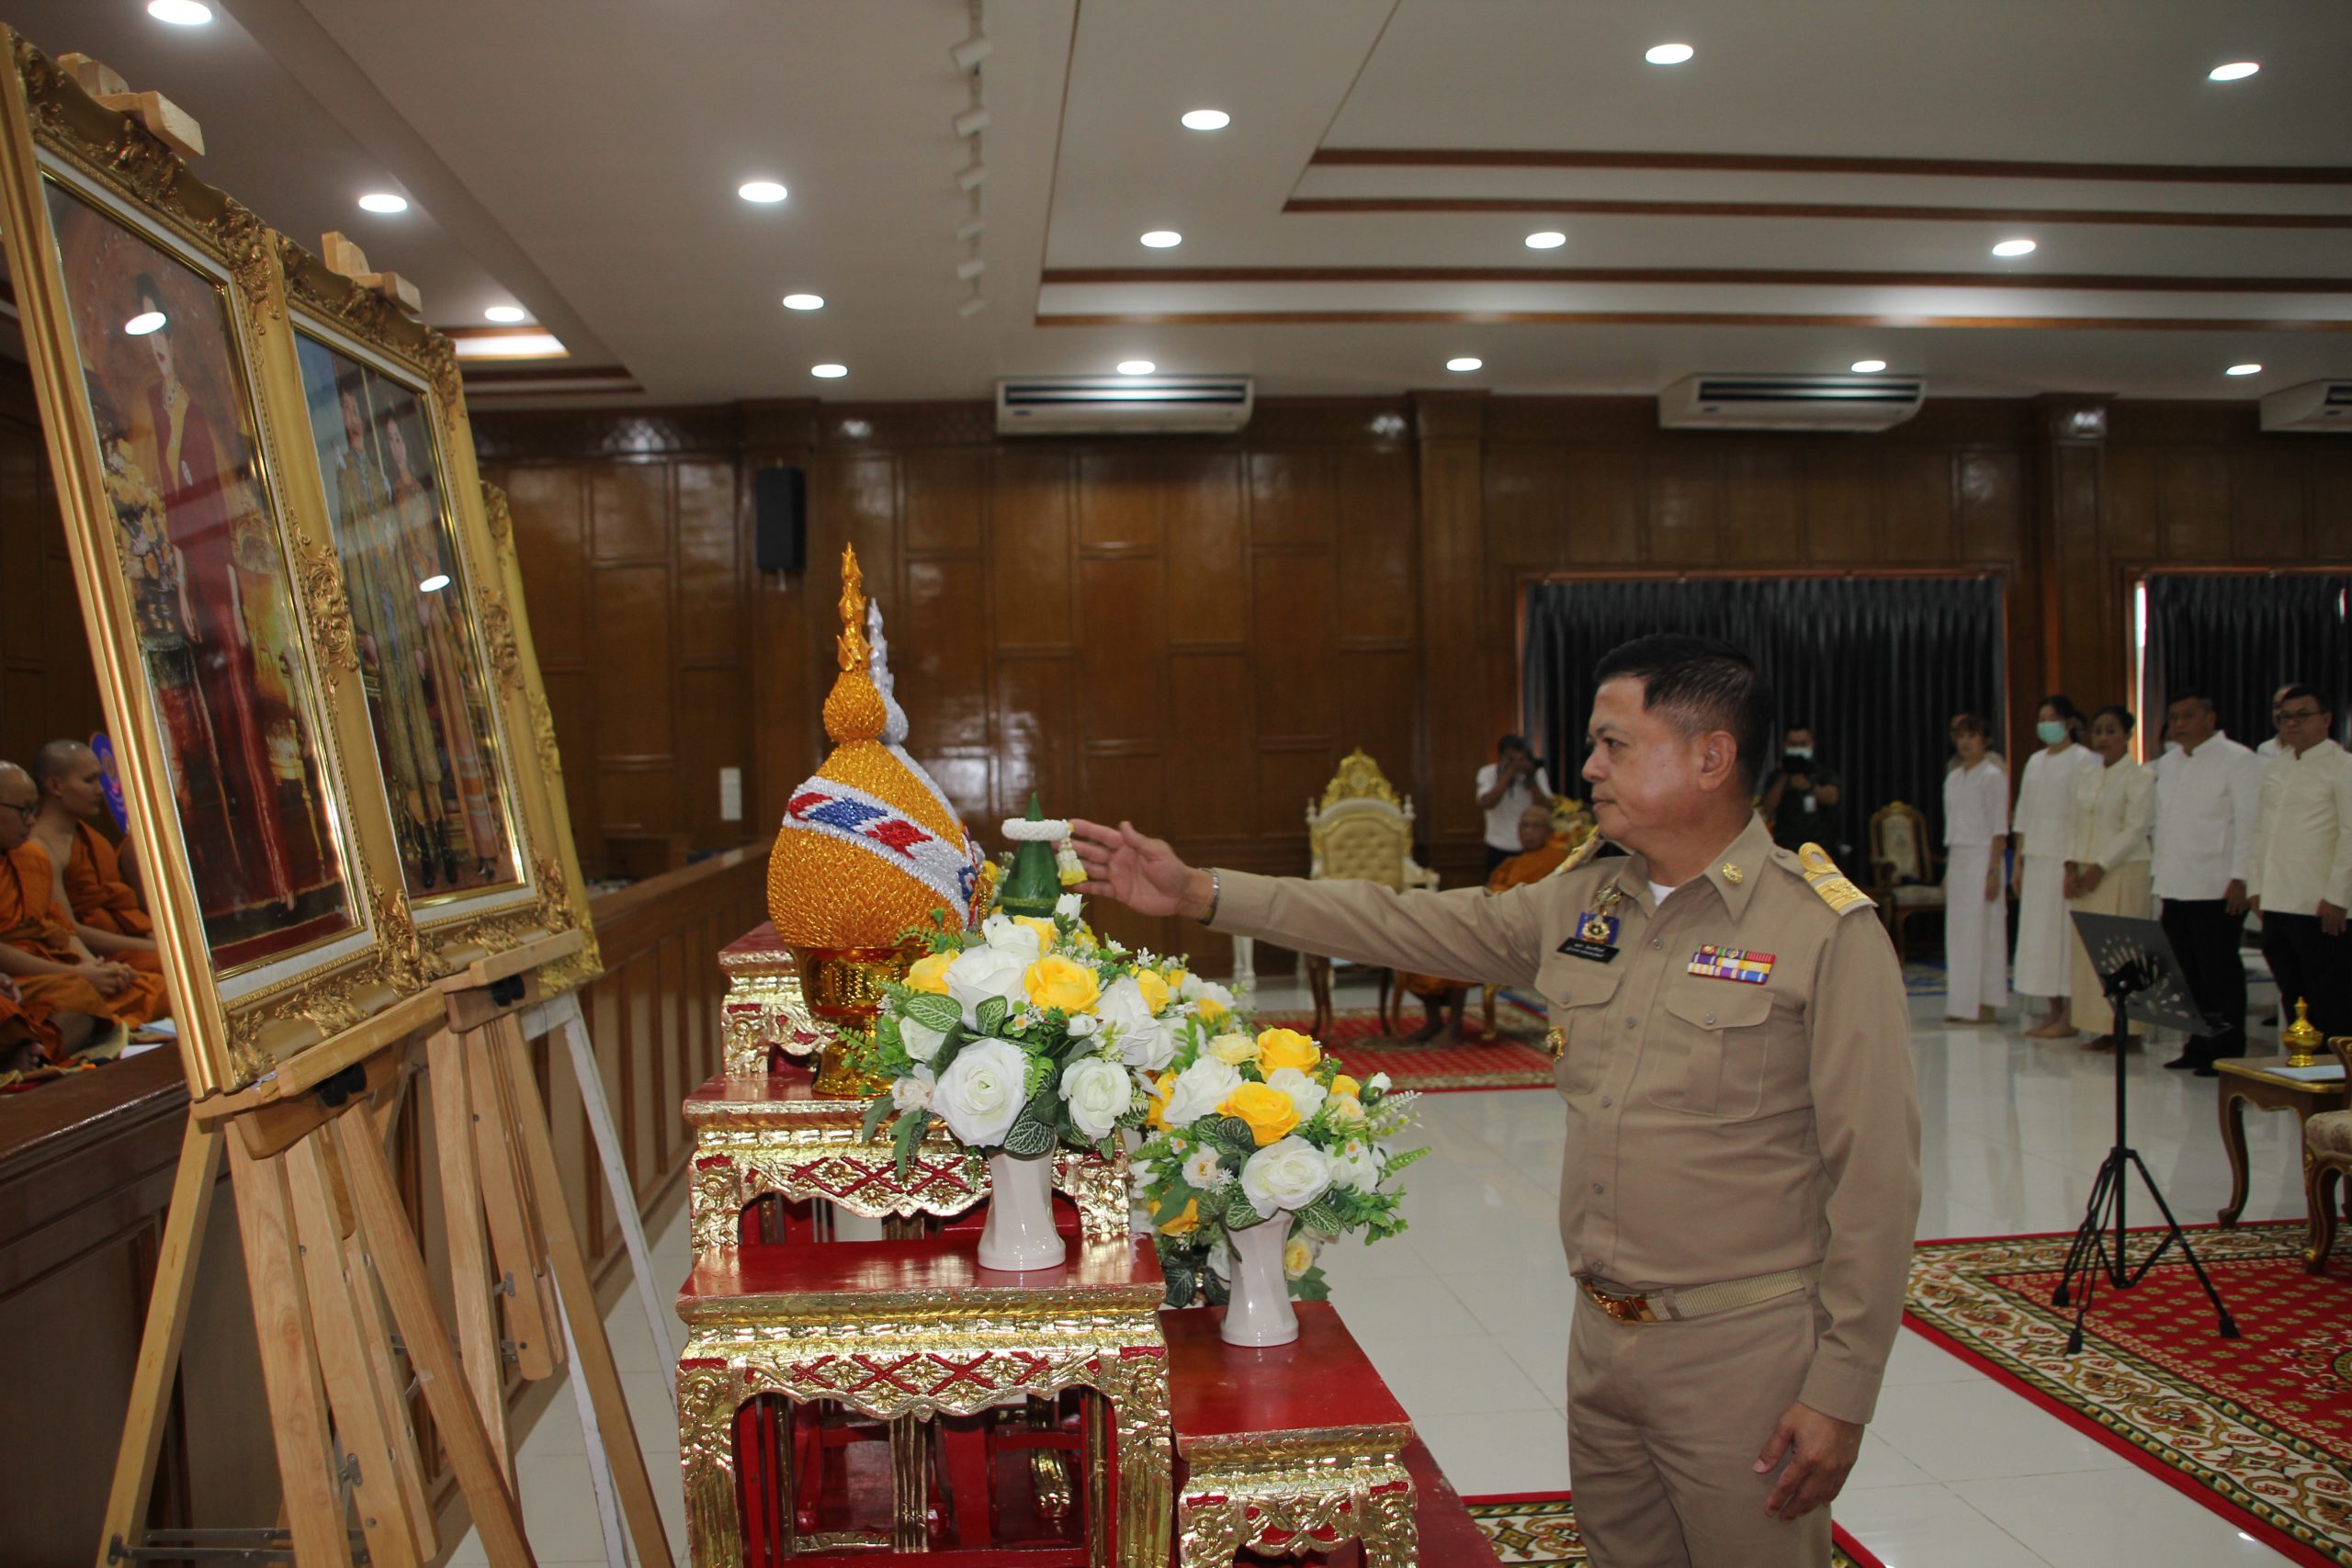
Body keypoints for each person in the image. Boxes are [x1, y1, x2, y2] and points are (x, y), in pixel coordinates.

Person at [1075, 635, 1921, 1568]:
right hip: (1601, 1340)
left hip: (1741, 1355)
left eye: (1614, 744)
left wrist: (1840, 1390)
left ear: (1710, 757)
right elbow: (1400, 919)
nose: (1588, 767)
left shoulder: (1818, 931)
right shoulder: (1587, 900)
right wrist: (1201, 890)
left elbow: (1876, 1183)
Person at [0, 761, 168, 1057]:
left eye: (33, 810)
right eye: (23, 811)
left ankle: (40, 1047)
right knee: (78, 995)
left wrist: (93, 967)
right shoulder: (43, 846)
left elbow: (60, 926)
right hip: (25, 974)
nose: (29, 821)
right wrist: (77, 974)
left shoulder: (32, 857)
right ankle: (36, 1054)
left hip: (56, 965)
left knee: (157, 989)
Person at [2150, 690, 2263, 1076]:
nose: (2179, 723)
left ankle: (2227, 1047)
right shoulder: (2168, 763)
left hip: (2216, 884)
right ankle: (2197, 1043)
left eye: (2188, 716)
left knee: (2219, 972)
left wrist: (2241, 877)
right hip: (2175, 883)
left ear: (2210, 718)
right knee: (2186, 972)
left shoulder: (2239, 760)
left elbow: (2248, 823)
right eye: (2174, 717)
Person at [1396, 802, 1569, 1043]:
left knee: (1459, 951)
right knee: (1423, 949)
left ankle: (1455, 1024)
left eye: (1535, 826)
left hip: (1520, 933)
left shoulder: (1557, 862)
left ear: (1549, 832)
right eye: (1523, 825)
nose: (1527, 831)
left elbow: (1540, 904)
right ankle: (1434, 1019)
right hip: (1492, 923)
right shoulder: (1514, 861)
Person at [2249, 684, 2352, 1039]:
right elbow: (2262, 832)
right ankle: (2302, 1077)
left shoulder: (2342, 767)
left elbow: (2350, 834)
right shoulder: (2276, 768)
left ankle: (2337, 1083)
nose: (2292, 724)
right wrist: (2256, 886)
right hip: (2278, 900)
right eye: (2285, 717)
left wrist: (2339, 896)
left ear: (2326, 719)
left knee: (2331, 1001)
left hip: (2321, 905)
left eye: (2302, 716)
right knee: (2293, 997)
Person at [2011, 697, 2103, 1040]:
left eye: (2051, 718)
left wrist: (2074, 864)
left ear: (2069, 723)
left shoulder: (2084, 761)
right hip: (2036, 857)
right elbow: (2024, 813)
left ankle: (2071, 1013)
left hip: (2065, 859)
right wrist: (2018, 860)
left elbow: (2083, 815)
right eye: (2041, 718)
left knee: (2064, 939)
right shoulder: (2035, 762)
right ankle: (2052, 1010)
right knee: (2040, 939)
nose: (2045, 723)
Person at [27, 739, 161, 973]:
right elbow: (70, 929)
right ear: (55, 786)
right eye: (89, 780)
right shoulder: (39, 846)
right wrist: (156, 948)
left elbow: (122, 909)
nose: (100, 789)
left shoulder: (92, 839)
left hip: (131, 945)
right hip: (94, 959)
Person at [2064, 707, 2155, 1046]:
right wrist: (2071, 866)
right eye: (2098, 731)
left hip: (2122, 870)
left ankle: (2129, 1031)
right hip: (2085, 872)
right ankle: (2102, 1026)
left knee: (2124, 953)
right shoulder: (2088, 776)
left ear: (2128, 735)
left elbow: (2136, 828)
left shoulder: (2140, 777)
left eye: (2111, 731)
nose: (2103, 738)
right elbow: (2075, 823)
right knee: (2091, 952)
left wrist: (2100, 865)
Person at [1941, 715, 2009, 1026]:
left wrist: (1994, 871)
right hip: (1959, 859)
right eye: (1961, 737)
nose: (1966, 743)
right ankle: (1961, 1002)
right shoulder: (1954, 778)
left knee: (1986, 931)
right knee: (1959, 934)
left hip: (1984, 857)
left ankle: (1985, 1004)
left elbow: (1998, 828)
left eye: (1972, 736)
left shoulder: (1993, 776)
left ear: (1986, 740)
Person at [1760, 722, 1840, 857]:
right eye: (1793, 745)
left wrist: (1810, 787)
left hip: (1818, 846)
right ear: (1786, 745)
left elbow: (1833, 798)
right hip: (1784, 847)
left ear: (1812, 744)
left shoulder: (1822, 772)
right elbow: (1767, 808)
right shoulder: (1778, 775)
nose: (1798, 749)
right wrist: (1785, 774)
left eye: (1803, 744)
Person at [1476, 734, 1552, 875]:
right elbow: (1487, 803)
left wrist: (1530, 779)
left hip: (1530, 845)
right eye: (1511, 759)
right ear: (1501, 757)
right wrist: (1509, 774)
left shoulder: (1535, 773)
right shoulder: (1487, 773)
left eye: (1520, 759)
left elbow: (1547, 807)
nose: (1517, 764)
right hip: (1498, 844)